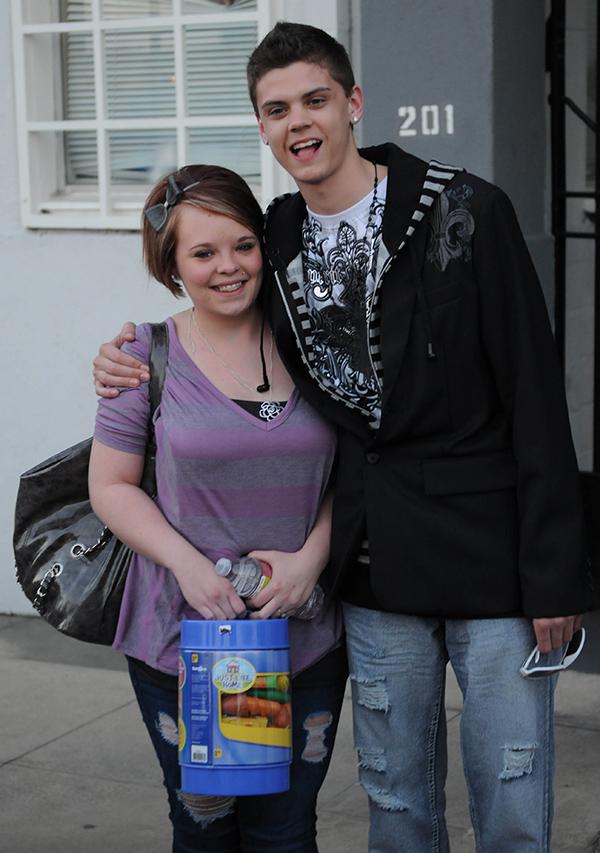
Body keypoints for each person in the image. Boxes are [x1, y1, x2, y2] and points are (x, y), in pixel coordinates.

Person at [92, 22, 597, 853]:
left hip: (496, 554)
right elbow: (204, 325)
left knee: (512, 794)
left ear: (354, 102)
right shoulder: (277, 239)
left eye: (316, 99)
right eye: (277, 108)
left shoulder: (463, 210)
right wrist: (120, 360)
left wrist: (556, 575)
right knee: (396, 801)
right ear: (261, 126)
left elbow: (537, 398)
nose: (300, 122)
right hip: (374, 560)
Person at [88, 163, 347, 853]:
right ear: (172, 265)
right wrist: (187, 565)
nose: (228, 267)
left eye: (242, 244)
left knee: (285, 831)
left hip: (302, 638)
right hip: (183, 643)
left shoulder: (315, 345)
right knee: (206, 826)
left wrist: (310, 562)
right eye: (202, 252)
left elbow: (357, 470)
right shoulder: (145, 356)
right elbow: (110, 485)